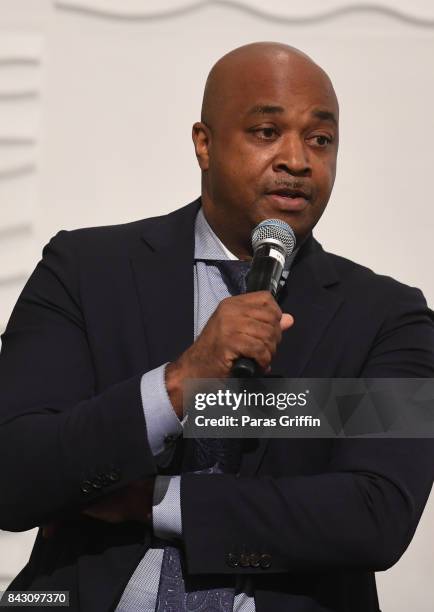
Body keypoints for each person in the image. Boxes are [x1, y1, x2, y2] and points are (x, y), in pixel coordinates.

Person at [0, 42, 433, 612]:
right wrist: (179, 383)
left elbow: (374, 514)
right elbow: (14, 473)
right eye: (265, 131)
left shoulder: (389, 317)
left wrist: (155, 501)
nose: (297, 160)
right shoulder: (85, 270)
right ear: (204, 144)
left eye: (320, 140)